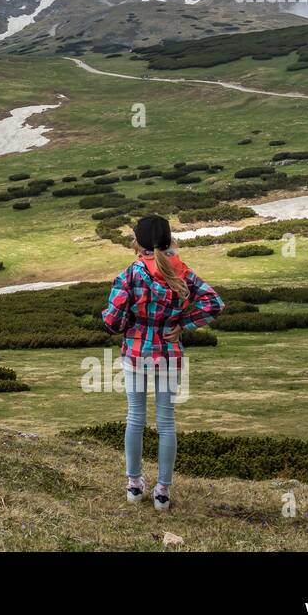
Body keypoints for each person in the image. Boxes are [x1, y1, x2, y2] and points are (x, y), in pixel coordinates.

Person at [101, 214, 223, 511]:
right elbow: (214, 303)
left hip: (136, 352)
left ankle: (133, 485)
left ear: (137, 243)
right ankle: (163, 492)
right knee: (166, 422)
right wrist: (184, 325)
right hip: (169, 354)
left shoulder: (130, 274)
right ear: (169, 240)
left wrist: (130, 321)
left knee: (135, 418)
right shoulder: (182, 272)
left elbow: (113, 322)